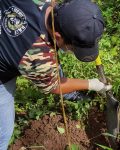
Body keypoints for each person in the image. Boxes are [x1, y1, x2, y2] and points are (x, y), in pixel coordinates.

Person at [0, 0, 112, 149]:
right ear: (57, 36)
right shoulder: (37, 56)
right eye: (72, 48)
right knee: (4, 132)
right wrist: (91, 84)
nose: (71, 51)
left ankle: (71, 94)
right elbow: (54, 86)